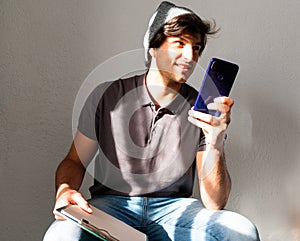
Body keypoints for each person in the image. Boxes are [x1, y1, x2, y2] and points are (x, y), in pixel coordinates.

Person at [43, 1, 260, 240]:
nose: (190, 55)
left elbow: (214, 202)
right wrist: (65, 190)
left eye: (196, 47)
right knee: (61, 235)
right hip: (112, 206)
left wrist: (215, 143)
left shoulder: (201, 109)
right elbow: (74, 161)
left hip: (175, 209)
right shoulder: (106, 96)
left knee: (242, 232)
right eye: (180, 43)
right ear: (153, 48)